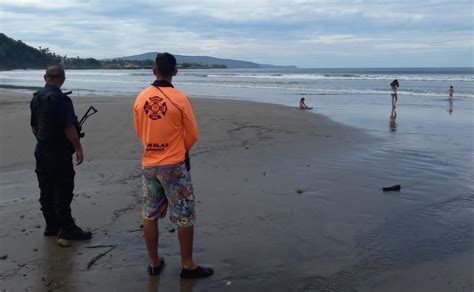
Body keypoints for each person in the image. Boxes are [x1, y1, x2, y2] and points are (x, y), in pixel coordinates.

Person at [133, 53, 213, 278]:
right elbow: (193, 134)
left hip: (149, 163)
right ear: (175, 72)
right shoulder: (180, 98)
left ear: (153, 70)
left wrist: (153, 147)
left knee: (150, 214)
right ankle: (187, 265)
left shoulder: (140, 98)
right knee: (184, 214)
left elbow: (140, 131)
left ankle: (153, 262)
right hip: (174, 166)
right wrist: (179, 149)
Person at [30, 65, 92, 240]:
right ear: (62, 79)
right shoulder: (62, 100)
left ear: (45, 78)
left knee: (46, 187)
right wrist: (78, 148)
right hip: (58, 151)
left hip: (41, 149)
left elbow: (34, 128)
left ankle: (51, 225)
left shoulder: (36, 98)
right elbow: (69, 127)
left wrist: (43, 143)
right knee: (63, 189)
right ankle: (67, 228)